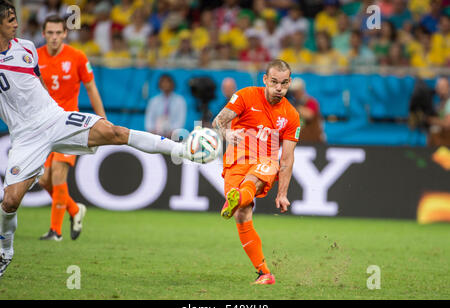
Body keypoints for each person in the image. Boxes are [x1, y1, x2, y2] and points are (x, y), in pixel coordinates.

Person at [0, 1, 196, 278]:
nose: (15, 24)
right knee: (9, 202)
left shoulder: (27, 49)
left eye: (15, 18)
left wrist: (81, 114)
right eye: (9, 19)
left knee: (115, 133)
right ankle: (5, 251)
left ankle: (184, 150)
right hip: (25, 137)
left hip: (55, 118)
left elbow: (37, 83)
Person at [212, 59, 301, 285]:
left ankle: (237, 198)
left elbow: (287, 158)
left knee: (252, 182)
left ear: (289, 83)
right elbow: (219, 121)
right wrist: (227, 134)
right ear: (265, 80)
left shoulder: (291, 115)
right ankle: (265, 273)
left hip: (265, 160)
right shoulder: (246, 95)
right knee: (242, 214)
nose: (278, 88)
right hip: (236, 160)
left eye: (284, 83)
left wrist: (282, 193)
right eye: (274, 82)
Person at [36, 15, 107, 242]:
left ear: (65, 34)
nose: (54, 37)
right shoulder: (34, 58)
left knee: (58, 173)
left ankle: (55, 231)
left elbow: (91, 88)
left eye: (58, 33)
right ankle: (75, 210)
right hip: (44, 125)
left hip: (69, 125)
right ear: (44, 34)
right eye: (50, 33)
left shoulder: (76, 56)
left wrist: (102, 119)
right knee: (43, 180)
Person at [288, 78, 326, 143]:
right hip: (299, 142)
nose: (294, 94)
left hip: (314, 141)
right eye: (292, 92)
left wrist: (296, 106)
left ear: (302, 90)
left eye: (296, 91)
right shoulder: (291, 104)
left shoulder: (311, 102)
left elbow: (309, 115)